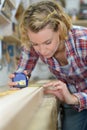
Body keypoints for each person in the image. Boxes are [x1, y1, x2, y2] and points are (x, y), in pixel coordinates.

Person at [9, 0, 87, 130]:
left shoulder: (83, 41)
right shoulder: (33, 43)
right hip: (71, 101)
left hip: (74, 97)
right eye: (36, 44)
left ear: (60, 30)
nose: (42, 51)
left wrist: (73, 98)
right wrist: (18, 81)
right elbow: (22, 72)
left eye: (48, 42)